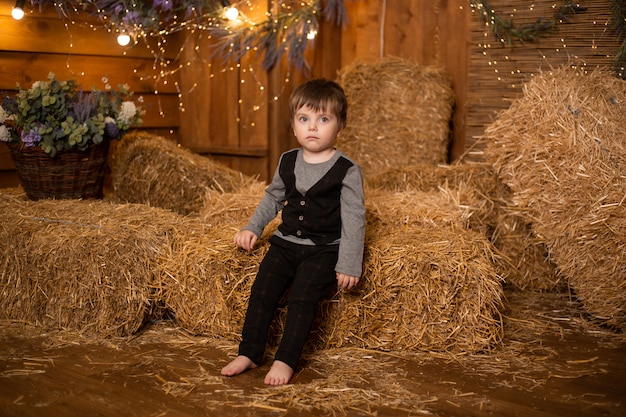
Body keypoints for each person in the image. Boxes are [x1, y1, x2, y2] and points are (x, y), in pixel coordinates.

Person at [220, 78, 366, 386]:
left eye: (323, 119)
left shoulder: (347, 170)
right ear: (293, 125)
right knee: (262, 292)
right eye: (304, 119)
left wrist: (349, 263)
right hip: (285, 243)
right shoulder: (287, 160)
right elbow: (273, 198)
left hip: (324, 248)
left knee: (302, 298)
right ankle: (249, 352)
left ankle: (285, 360)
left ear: (340, 126)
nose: (313, 127)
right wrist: (252, 228)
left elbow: (354, 217)